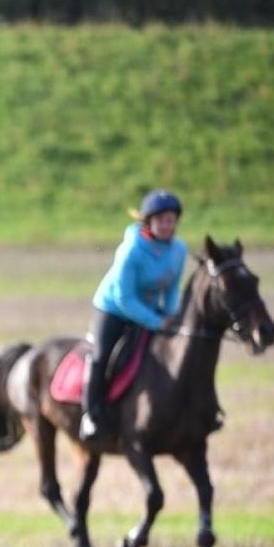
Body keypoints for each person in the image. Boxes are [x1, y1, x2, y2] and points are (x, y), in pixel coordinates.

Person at [82, 189, 188, 440]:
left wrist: (171, 316)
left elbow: (172, 289)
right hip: (114, 309)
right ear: (148, 221)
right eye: (161, 220)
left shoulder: (179, 250)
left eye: (170, 220)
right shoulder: (131, 250)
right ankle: (90, 414)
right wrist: (156, 321)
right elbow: (124, 298)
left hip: (152, 310)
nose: (166, 225)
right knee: (100, 357)